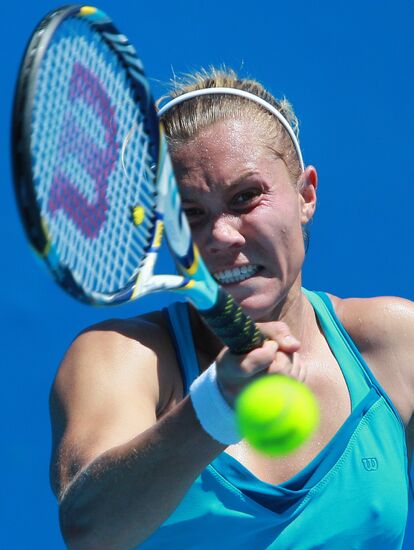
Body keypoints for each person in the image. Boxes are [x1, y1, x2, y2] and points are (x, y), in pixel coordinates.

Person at [50, 67, 414, 549]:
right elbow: (89, 530)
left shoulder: (396, 342)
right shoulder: (121, 357)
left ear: (306, 195)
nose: (221, 235)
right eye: (191, 213)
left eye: (245, 197)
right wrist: (214, 408)